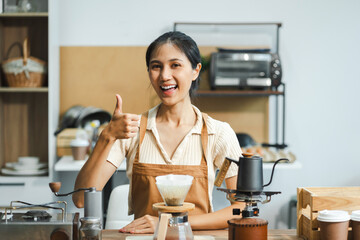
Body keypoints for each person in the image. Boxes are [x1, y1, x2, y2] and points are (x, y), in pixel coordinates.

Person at [73, 31, 244, 233]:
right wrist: (106, 137)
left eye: (175, 65)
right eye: (156, 66)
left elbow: (242, 210)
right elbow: (81, 199)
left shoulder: (219, 133)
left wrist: (171, 224)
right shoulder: (131, 131)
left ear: (195, 70)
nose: (164, 75)